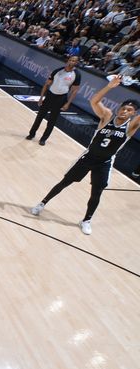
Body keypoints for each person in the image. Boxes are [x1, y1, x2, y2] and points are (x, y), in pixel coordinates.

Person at [31, 76, 140, 235]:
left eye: (129, 110)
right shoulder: (107, 116)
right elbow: (94, 101)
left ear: (134, 114)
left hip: (104, 163)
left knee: (96, 192)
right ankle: (42, 203)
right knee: (65, 182)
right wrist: (109, 87)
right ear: (119, 108)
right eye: (123, 108)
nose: (125, 111)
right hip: (88, 157)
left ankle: (86, 220)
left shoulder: (131, 126)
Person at [26, 55, 81, 145]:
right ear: (68, 61)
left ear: (76, 63)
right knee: (39, 117)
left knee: (52, 120)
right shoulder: (58, 71)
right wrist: (41, 98)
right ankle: (31, 134)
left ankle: (43, 139)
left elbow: (74, 91)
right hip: (50, 96)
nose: (72, 62)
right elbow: (47, 84)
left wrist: (68, 103)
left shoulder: (77, 75)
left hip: (61, 98)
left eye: (74, 61)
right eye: (71, 60)